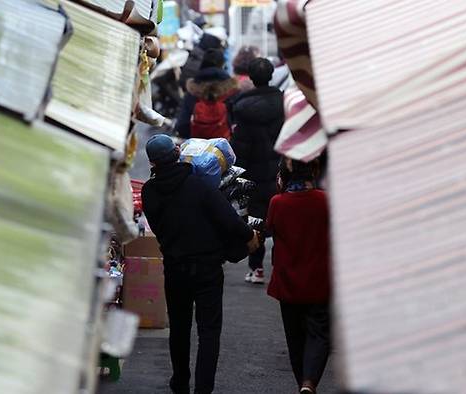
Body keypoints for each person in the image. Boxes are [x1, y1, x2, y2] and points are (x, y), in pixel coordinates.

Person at [141, 134, 260, 394]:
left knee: (179, 328)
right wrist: (250, 236)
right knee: (209, 330)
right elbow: (228, 220)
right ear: (177, 154)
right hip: (207, 268)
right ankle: (203, 388)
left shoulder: (149, 192)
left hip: (174, 268)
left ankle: (180, 381)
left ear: (152, 163)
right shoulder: (199, 186)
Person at [266, 158, 331, 394]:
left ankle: (302, 383)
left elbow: (270, 229)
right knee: (320, 333)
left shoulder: (277, 203)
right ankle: (308, 383)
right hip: (320, 279)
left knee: (294, 337)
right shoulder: (325, 201)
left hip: (288, 281)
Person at [229, 58, 284, 284]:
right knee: (283, 221)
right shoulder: (284, 103)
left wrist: (237, 176)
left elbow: (240, 147)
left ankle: (257, 267)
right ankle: (281, 268)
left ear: (250, 77)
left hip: (254, 174)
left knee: (256, 220)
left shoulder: (242, 108)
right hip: (282, 172)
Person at [174, 48, 238, 139]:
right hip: (225, 144)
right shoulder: (231, 90)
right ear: (223, 64)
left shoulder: (193, 90)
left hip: (198, 145)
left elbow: (182, 125)